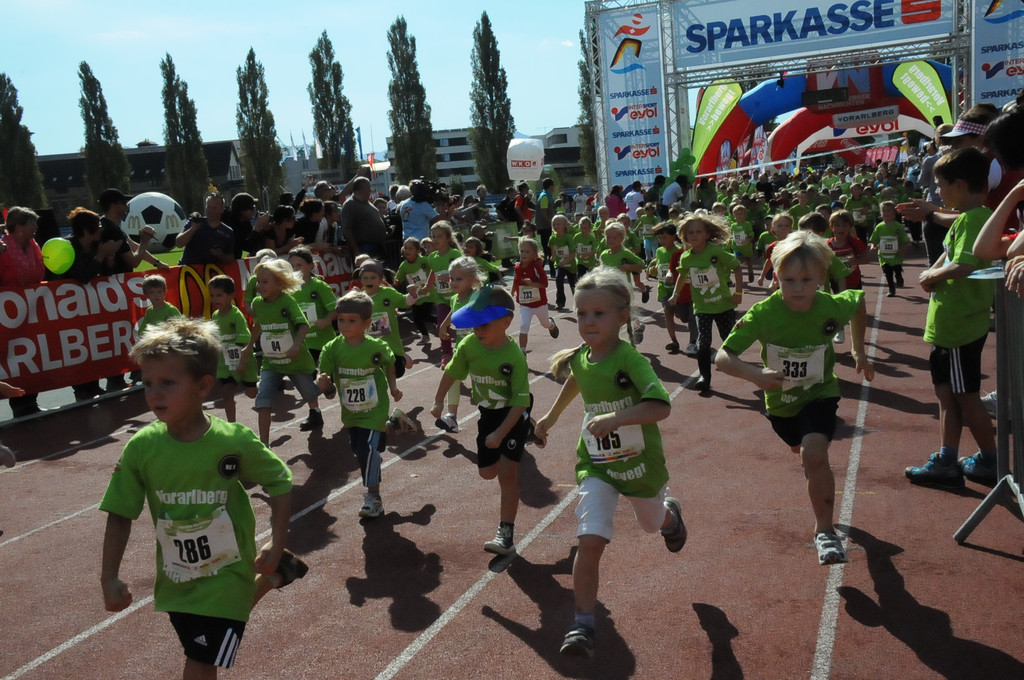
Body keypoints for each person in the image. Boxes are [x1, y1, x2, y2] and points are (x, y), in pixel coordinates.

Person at [99, 316, 307, 680]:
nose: (155, 393)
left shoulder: (233, 442)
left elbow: (280, 482)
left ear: (203, 385)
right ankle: (275, 578)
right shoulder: (141, 448)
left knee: (201, 660)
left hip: (226, 574)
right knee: (202, 650)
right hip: (178, 577)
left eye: (168, 382)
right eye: (147, 383)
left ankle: (272, 572)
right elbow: (119, 512)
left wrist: (276, 543)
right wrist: (108, 577)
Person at [534, 268, 686, 658]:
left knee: (651, 525)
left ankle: (670, 517)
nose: (588, 322)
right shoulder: (583, 358)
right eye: (582, 314)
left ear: (623, 316)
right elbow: (578, 378)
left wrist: (618, 419)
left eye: (598, 314)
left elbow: (661, 406)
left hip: (639, 465)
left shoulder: (629, 359)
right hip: (596, 465)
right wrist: (550, 417)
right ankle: (582, 624)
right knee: (590, 539)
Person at [716, 231, 874, 565]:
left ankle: (825, 532)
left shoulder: (830, 305)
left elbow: (858, 301)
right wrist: (755, 375)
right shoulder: (763, 313)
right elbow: (723, 358)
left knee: (814, 453)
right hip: (781, 404)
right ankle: (810, 465)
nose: (798, 287)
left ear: (821, 277)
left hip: (820, 392)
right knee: (801, 451)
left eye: (806, 279)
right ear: (776, 277)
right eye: (788, 280)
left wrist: (859, 350)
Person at [904, 147, 999, 485]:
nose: (938, 193)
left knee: (966, 397)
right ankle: (947, 458)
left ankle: (991, 459)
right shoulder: (967, 218)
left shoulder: (974, 219)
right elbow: (950, 258)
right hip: (949, 325)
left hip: (960, 326)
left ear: (959, 185)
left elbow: (964, 264)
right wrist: (933, 271)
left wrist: (932, 276)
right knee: (946, 394)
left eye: (941, 186)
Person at [430, 285, 533, 557]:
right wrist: (439, 401)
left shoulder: (514, 357)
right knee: (487, 472)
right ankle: (523, 432)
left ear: (506, 322)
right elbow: (452, 373)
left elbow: (520, 400)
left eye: (484, 323)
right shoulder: (468, 345)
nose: (477, 329)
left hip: (513, 410)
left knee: (508, 475)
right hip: (487, 412)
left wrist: (501, 433)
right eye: (473, 323)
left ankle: (506, 533)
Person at [317, 290, 402, 519]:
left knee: (368, 451)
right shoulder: (332, 349)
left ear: (366, 323)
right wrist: (324, 385)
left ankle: (373, 498)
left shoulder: (376, 347)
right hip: (351, 413)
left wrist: (393, 387)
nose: (344, 325)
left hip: (375, 410)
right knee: (359, 450)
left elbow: (389, 365)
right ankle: (394, 423)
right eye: (341, 320)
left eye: (351, 321)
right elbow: (328, 387)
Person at [237, 259, 323, 444]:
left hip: (296, 362)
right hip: (271, 362)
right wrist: (249, 345)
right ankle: (265, 444)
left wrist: (296, 345)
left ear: (279, 283)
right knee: (263, 401)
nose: (259, 286)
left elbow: (303, 325)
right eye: (258, 282)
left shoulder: (287, 301)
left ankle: (324, 386)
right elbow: (259, 324)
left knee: (310, 394)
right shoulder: (258, 304)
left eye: (265, 282)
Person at [671, 213, 744, 393]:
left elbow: (736, 267)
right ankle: (705, 377)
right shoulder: (686, 257)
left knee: (729, 338)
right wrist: (675, 295)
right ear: (684, 236)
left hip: (723, 304)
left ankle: (738, 366)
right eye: (690, 233)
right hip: (702, 306)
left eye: (698, 232)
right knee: (703, 343)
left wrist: (738, 292)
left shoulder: (716, 252)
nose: (694, 235)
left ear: (707, 234)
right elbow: (682, 276)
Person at [0, 208, 46, 417]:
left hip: (30, 313)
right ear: (18, 227)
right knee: (11, 358)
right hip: (7, 315)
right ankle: (18, 403)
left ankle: (30, 400)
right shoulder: (2, 248)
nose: (36, 227)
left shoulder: (34, 246)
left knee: (31, 356)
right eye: (31, 223)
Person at [435, 256, 486, 433]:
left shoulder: (477, 297)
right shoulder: (454, 298)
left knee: (480, 383)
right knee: (453, 377)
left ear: (472, 280)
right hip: (462, 349)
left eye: (459, 279)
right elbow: (454, 312)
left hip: (479, 349)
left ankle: (492, 412)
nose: (454, 282)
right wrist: (444, 324)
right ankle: (451, 417)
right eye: (452, 278)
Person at [208, 275, 259, 424]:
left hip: (244, 360)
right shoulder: (215, 316)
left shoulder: (236, 316)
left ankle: (260, 385)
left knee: (251, 393)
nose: (215, 299)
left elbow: (245, 341)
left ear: (231, 295)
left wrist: (242, 363)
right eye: (212, 295)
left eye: (219, 295)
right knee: (226, 392)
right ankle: (232, 423)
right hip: (225, 363)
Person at [511, 238, 559, 349]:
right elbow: (515, 280)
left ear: (534, 254)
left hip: (539, 304)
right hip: (525, 304)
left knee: (545, 324)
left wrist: (532, 284)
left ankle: (551, 325)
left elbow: (545, 284)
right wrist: (511, 293)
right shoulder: (517, 268)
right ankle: (522, 352)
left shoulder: (536, 267)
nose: (523, 254)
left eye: (527, 252)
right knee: (524, 326)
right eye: (522, 251)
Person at [176, 192, 235, 266]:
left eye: (215, 207)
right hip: (188, 271)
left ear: (222, 210)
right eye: (209, 207)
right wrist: (192, 229)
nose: (211, 211)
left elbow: (231, 258)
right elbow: (179, 244)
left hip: (212, 272)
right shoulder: (195, 222)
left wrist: (221, 255)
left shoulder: (228, 232)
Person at [867, 202, 911, 297]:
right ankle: (892, 290)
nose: (886, 213)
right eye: (884, 211)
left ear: (894, 213)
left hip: (896, 256)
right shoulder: (879, 227)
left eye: (889, 211)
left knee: (897, 270)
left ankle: (899, 278)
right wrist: (873, 247)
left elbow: (906, 241)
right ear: (880, 213)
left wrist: (903, 249)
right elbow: (874, 240)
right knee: (888, 273)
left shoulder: (898, 226)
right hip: (884, 256)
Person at [340, 177, 388, 261]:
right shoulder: (350, 205)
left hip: (377, 246)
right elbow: (347, 229)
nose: (371, 190)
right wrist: (356, 251)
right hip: (364, 247)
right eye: (369, 187)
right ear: (361, 189)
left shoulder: (367, 203)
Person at [136, 275, 182, 340]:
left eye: (159, 292)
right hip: (155, 342)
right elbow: (142, 330)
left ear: (165, 292)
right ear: (146, 295)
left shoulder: (171, 310)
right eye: (151, 292)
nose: (156, 295)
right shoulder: (149, 311)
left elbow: (181, 327)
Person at [548, 214, 577, 310]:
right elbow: (553, 248)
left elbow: (573, 252)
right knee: (558, 279)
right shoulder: (552, 238)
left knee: (573, 285)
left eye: (558, 224)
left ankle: (578, 302)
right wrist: (553, 256)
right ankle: (560, 302)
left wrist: (566, 261)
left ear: (564, 225)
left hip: (570, 264)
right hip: (559, 264)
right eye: (554, 224)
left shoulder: (568, 237)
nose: (556, 226)